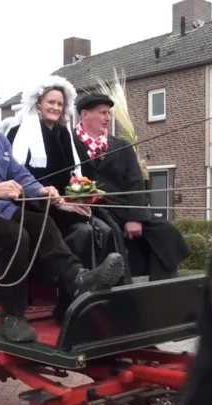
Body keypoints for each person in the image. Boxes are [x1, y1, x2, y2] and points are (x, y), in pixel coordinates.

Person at [0, 78, 125, 343]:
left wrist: (41, 190)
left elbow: (19, 174)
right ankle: (12, 316)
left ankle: (78, 277)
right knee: (14, 236)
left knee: (40, 220)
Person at [1, 76, 129, 279]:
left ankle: (111, 286)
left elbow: (86, 172)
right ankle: (76, 287)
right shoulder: (19, 134)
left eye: (60, 103)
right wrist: (59, 202)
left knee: (106, 228)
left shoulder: (66, 134)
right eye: (51, 102)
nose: (56, 107)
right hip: (35, 206)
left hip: (67, 204)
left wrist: (83, 194)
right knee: (85, 232)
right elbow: (16, 177)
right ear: (38, 104)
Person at [72, 93, 189, 280]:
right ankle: (121, 290)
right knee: (112, 233)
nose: (108, 118)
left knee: (165, 232)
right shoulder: (69, 142)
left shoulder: (121, 146)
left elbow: (135, 182)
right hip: (93, 209)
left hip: (123, 208)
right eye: (103, 113)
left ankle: (162, 289)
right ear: (85, 114)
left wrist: (135, 218)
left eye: (109, 113)